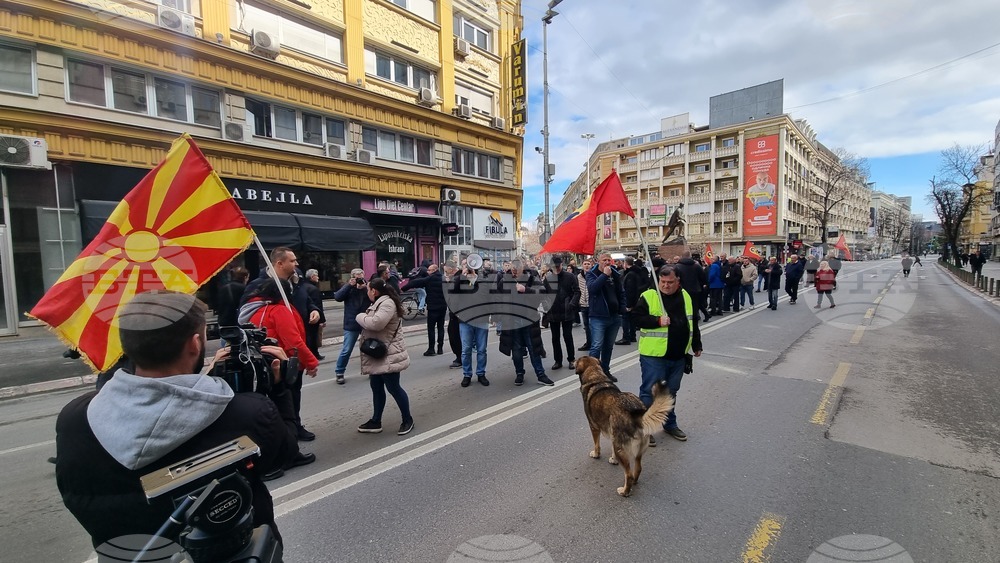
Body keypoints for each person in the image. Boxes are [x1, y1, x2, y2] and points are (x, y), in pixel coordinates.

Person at [55, 291, 311, 550]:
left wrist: (204, 380)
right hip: (233, 550)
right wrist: (281, 390)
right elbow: (284, 453)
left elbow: (74, 494)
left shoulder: (74, 419)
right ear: (195, 344)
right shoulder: (246, 414)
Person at [240, 247, 321, 441]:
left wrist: (314, 309)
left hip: (289, 349)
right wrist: (311, 361)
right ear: (279, 263)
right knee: (285, 397)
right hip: (284, 356)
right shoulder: (260, 287)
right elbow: (246, 313)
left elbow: (308, 300)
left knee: (290, 395)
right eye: (292, 261)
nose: (296, 264)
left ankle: (289, 428)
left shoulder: (296, 281)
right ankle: (288, 434)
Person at [632, 266, 702, 445]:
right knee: (649, 392)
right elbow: (635, 319)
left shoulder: (686, 296)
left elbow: (692, 322)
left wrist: (696, 344)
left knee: (671, 392)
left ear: (678, 281)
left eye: (670, 282)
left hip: (678, 355)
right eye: (662, 282)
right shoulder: (649, 296)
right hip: (654, 356)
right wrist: (657, 321)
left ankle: (669, 424)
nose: (665, 285)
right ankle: (645, 428)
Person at [355, 278, 414, 435]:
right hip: (378, 352)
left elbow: (376, 323)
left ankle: (407, 419)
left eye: (368, 289)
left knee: (393, 388)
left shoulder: (387, 303)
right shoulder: (379, 302)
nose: (367, 292)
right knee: (376, 387)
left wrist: (359, 317)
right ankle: (376, 421)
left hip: (389, 353)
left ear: (374, 291)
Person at [497, 260, 553, 386]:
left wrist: (525, 290)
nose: (514, 273)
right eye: (512, 270)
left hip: (528, 318)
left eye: (516, 271)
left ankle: (541, 374)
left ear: (522, 269)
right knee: (516, 349)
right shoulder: (505, 280)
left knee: (533, 348)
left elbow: (542, 293)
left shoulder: (531, 278)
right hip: (513, 319)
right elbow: (498, 298)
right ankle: (519, 374)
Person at [587, 253, 626, 382]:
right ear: (598, 261)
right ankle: (592, 374)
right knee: (596, 346)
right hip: (598, 316)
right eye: (604, 260)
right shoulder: (592, 274)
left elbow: (621, 292)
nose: (607, 262)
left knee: (608, 346)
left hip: (614, 316)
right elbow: (593, 289)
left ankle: (605, 371)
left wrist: (622, 308)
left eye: (609, 260)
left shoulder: (615, 274)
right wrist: (604, 275)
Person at [332, 268, 372, 384]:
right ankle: (339, 372)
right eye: (357, 276)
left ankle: (371, 370)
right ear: (352, 277)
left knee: (369, 347)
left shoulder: (367, 287)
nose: (359, 278)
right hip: (351, 323)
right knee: (347, 349)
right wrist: (349, 285)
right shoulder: (348, 288)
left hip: (365, 321)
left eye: (361, 276)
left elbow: (374, 298)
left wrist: (365, 288)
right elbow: (337, 297)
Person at [545, 256, 580, 369]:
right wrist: (546, 305)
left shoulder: (570, 276)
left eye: (558, 266)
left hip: (567, 310)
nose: (557, 269)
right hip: (553, 311)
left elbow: (577, 292)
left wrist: (572, 304)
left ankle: (571, 359)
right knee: (555, 338)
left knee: (567, 336)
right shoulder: (548, 278)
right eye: (554, 267)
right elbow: (544, 294)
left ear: (561, 265)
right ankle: (558, 361)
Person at [404, 263, 446, 356]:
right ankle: (440, 348)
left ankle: (431, 349)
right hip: (443, 307)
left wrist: (403, 288)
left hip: (433, 307)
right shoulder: (443, 278)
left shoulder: (430, 279)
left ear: (434, 270)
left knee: (431, 328)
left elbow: (415, 283)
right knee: (441, 327)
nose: (427, 272)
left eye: (429, 270)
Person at [457, 268, 490, 387]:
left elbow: (488, 297)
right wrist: (462, 277)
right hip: (465, 320)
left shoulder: (483, 281)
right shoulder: (460, 280)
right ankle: (467, 374)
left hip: (481, 319)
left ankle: (481, 373)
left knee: (482, 349)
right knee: (466, 350)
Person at [674, 250, 710, 323]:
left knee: (684, 305)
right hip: (695, 289)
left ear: (681, 256)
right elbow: (703, 277)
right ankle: (696, 319)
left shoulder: (677, 267)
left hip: (683, 289)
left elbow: (676, 279)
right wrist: (701, 284)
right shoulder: (697, 266)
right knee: (695, 305)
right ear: (690, 256)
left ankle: (686, 320)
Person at [618, 256, 647, 345]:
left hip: (630, 300)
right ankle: (632, 336)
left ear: (625, 263)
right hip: (636, 299)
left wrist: (628, 305)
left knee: (626, 319)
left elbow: (630, 290)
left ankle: (626, 337)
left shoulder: (630, 274)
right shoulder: (637, 272)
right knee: (632, 319)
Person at [301, 268, 326, 360]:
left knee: (308, 335)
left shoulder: (302, 287)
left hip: (304, 315)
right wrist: (322, 319)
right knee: (313, 336)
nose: (318, 277)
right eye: (317, 276)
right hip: (313, 316)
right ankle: (314, 354)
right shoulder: (313, 289)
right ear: (312, 277)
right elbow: (318, 305)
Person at [216, 266, 248, 330]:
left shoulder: (223, 288)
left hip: (224, 321)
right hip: (237, 322)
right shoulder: (245, 289)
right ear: (245, 277)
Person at [576, 258, 593, 352]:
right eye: (585, 264)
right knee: (586, 326)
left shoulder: (593, 275)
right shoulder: (579, 277)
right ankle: (589, 343)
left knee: (592, 325)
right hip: (583, 304)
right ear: (582, 266)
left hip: (592, 304)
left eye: (588, 264)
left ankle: (594, 343)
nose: (586, 266)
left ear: (591, 265)